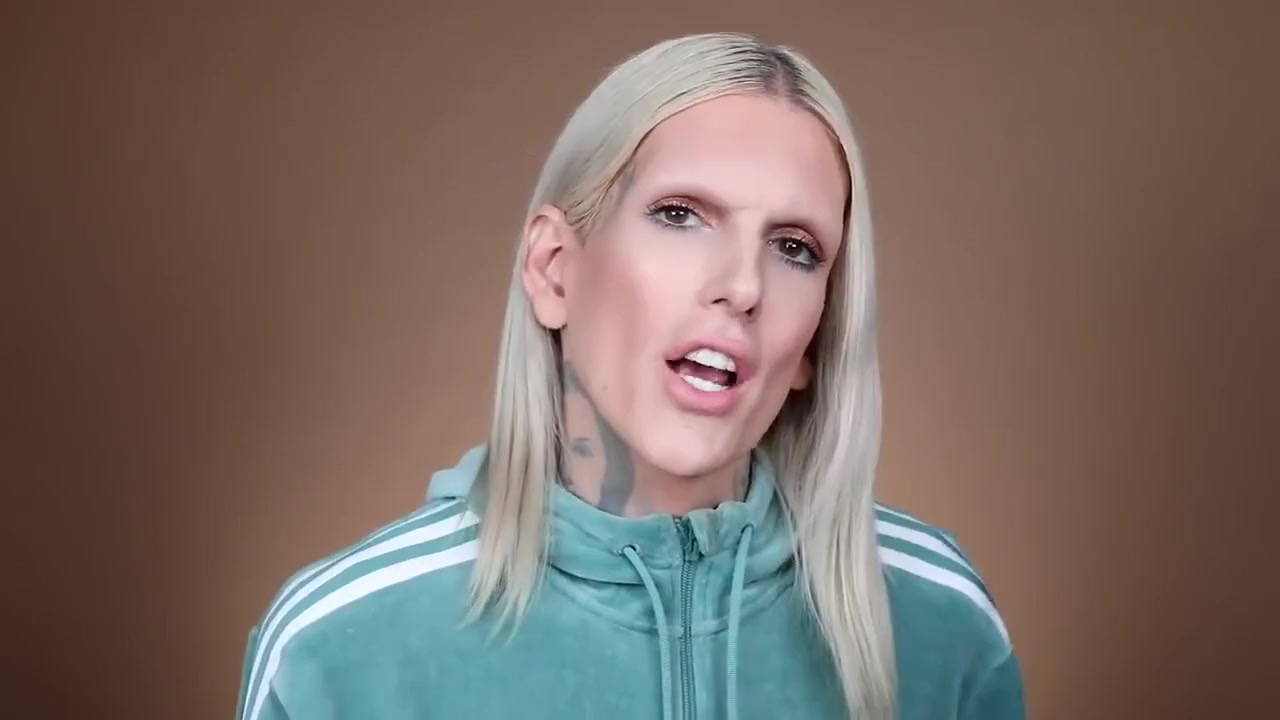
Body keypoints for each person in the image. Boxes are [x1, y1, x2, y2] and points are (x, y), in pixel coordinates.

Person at [235, 32, 1025, 720]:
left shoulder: (940, 619)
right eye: (681, 214)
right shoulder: (336, 649)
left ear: (816, 338)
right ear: (554, 268)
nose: (742, 286)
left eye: (795, 248)